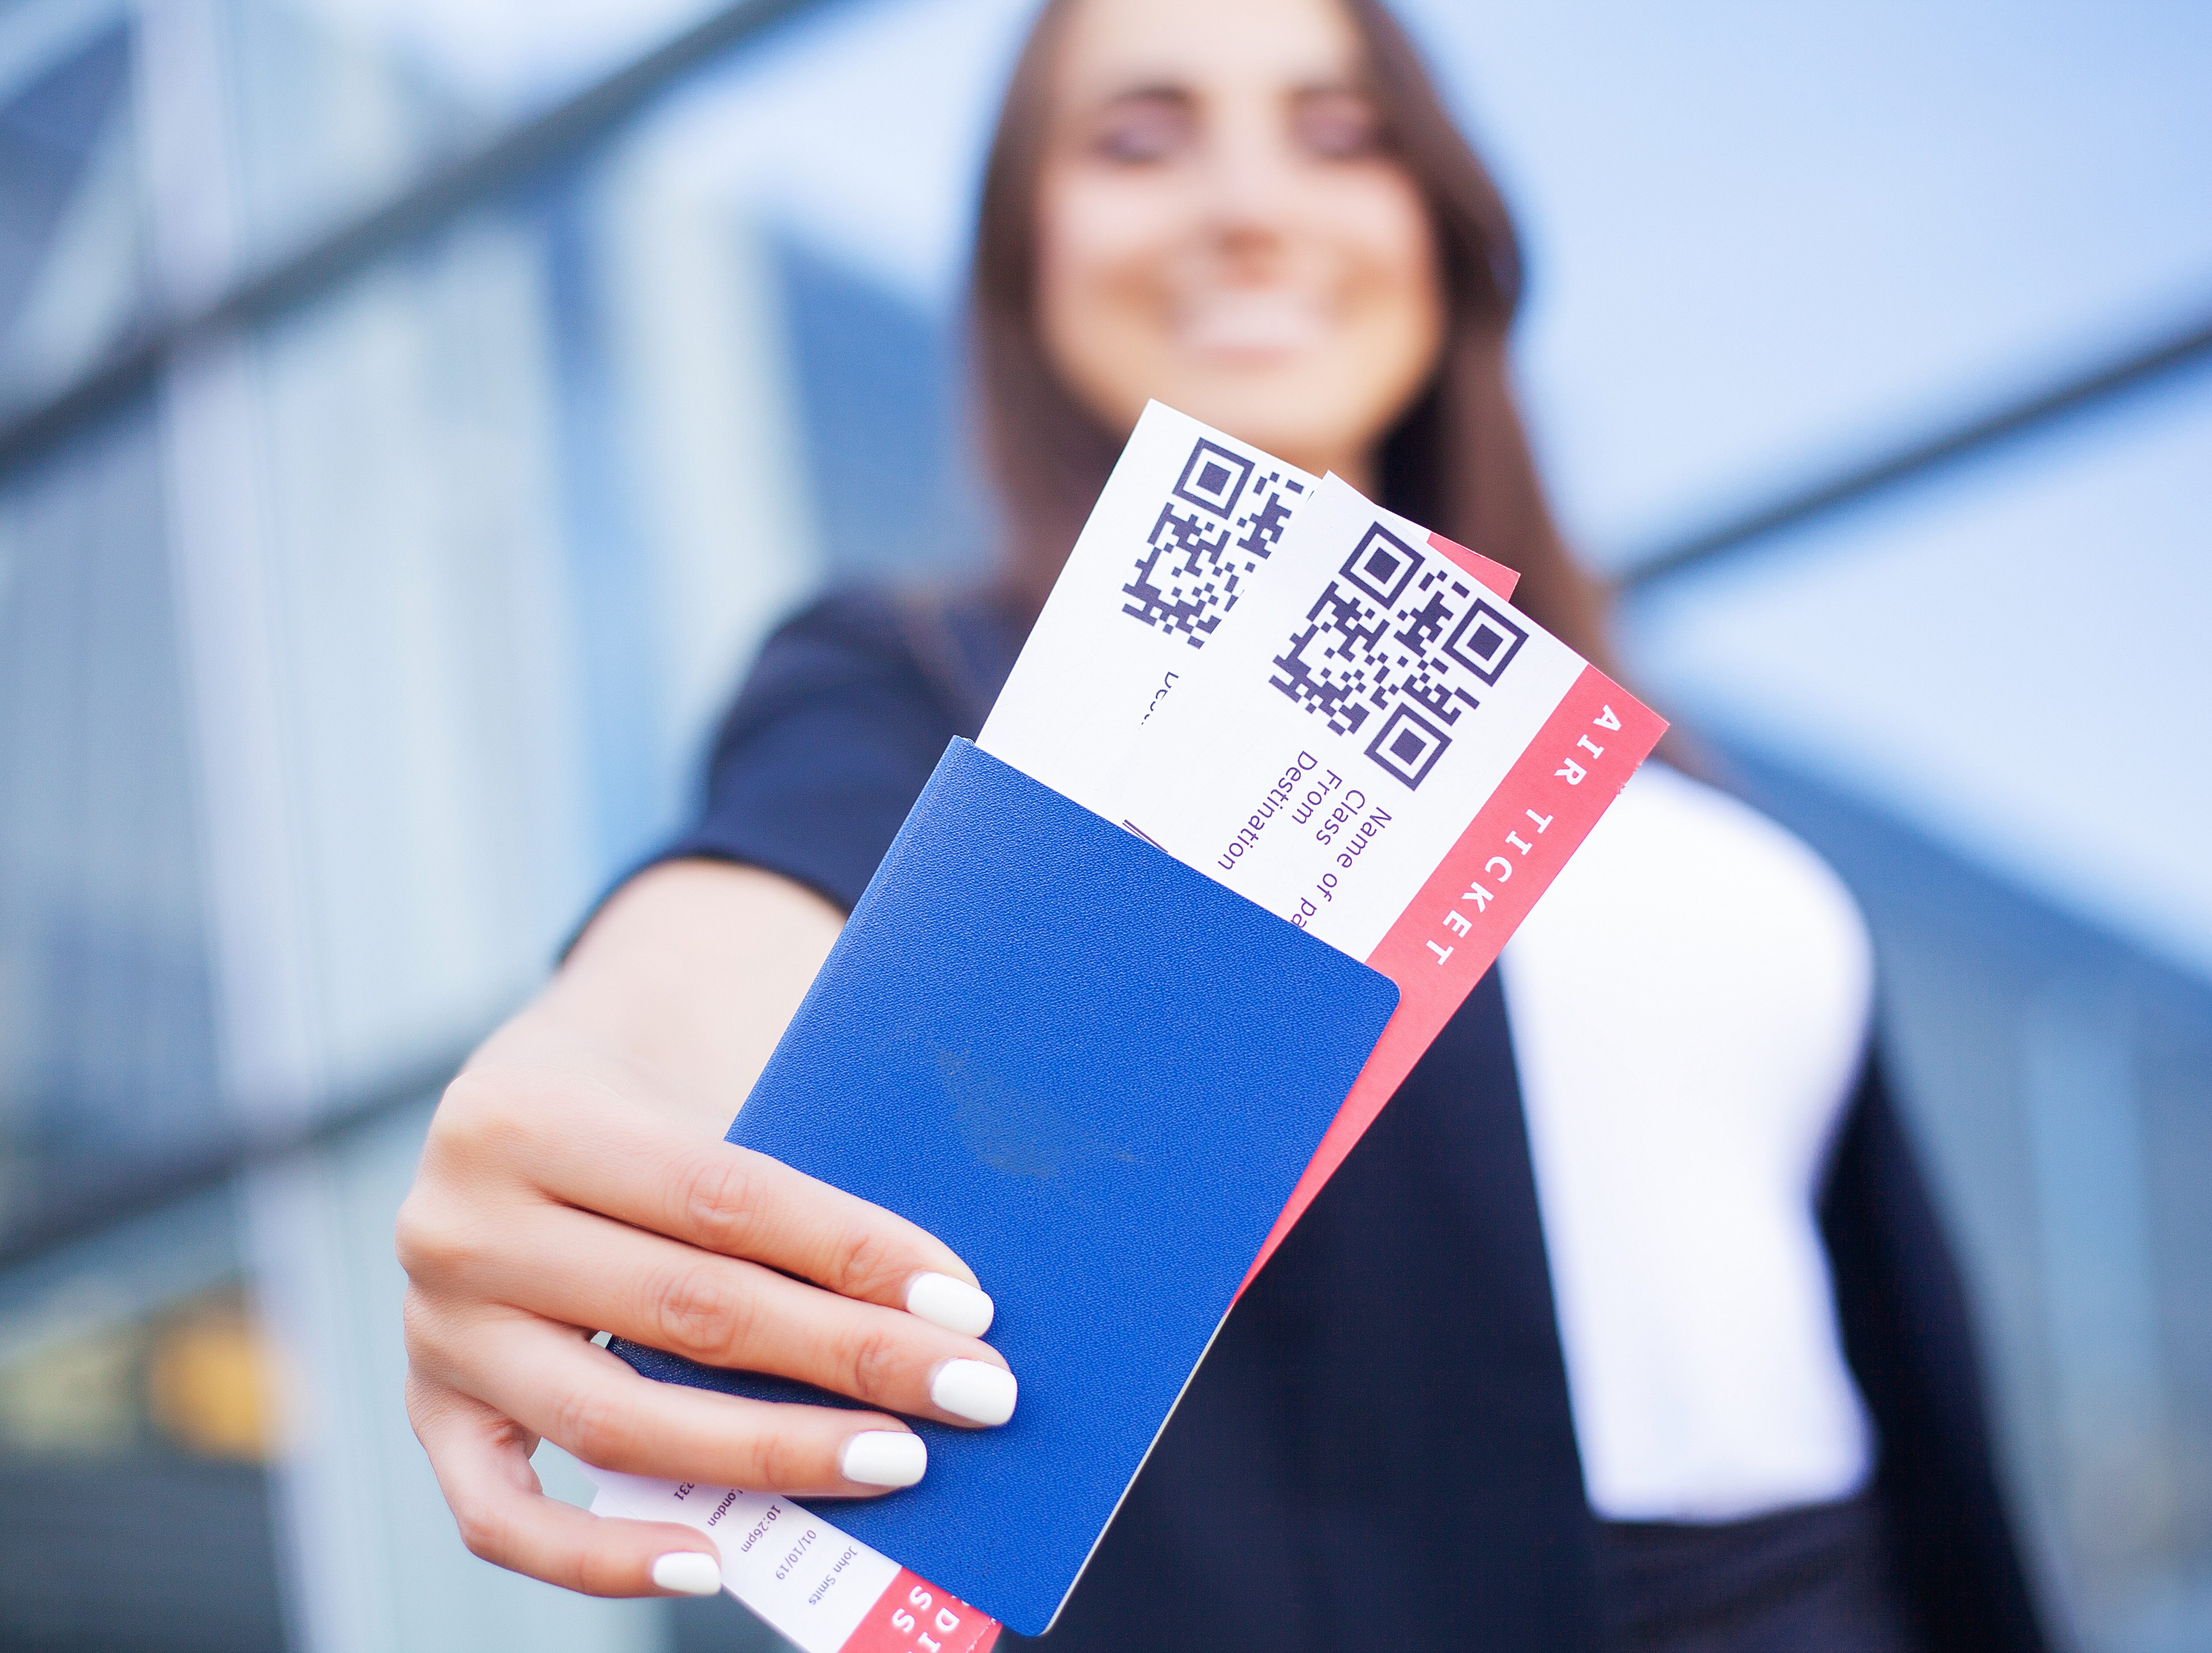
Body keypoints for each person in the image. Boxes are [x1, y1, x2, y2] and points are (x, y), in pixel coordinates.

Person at [397, 0, 2051, 1647]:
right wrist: (593, 1067)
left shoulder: (1652, 772)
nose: (1249, 206)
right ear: (1028, 255)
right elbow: (755, 900)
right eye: (1139, 141)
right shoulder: (933, 686)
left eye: (1339, 137)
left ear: (1440, 224)